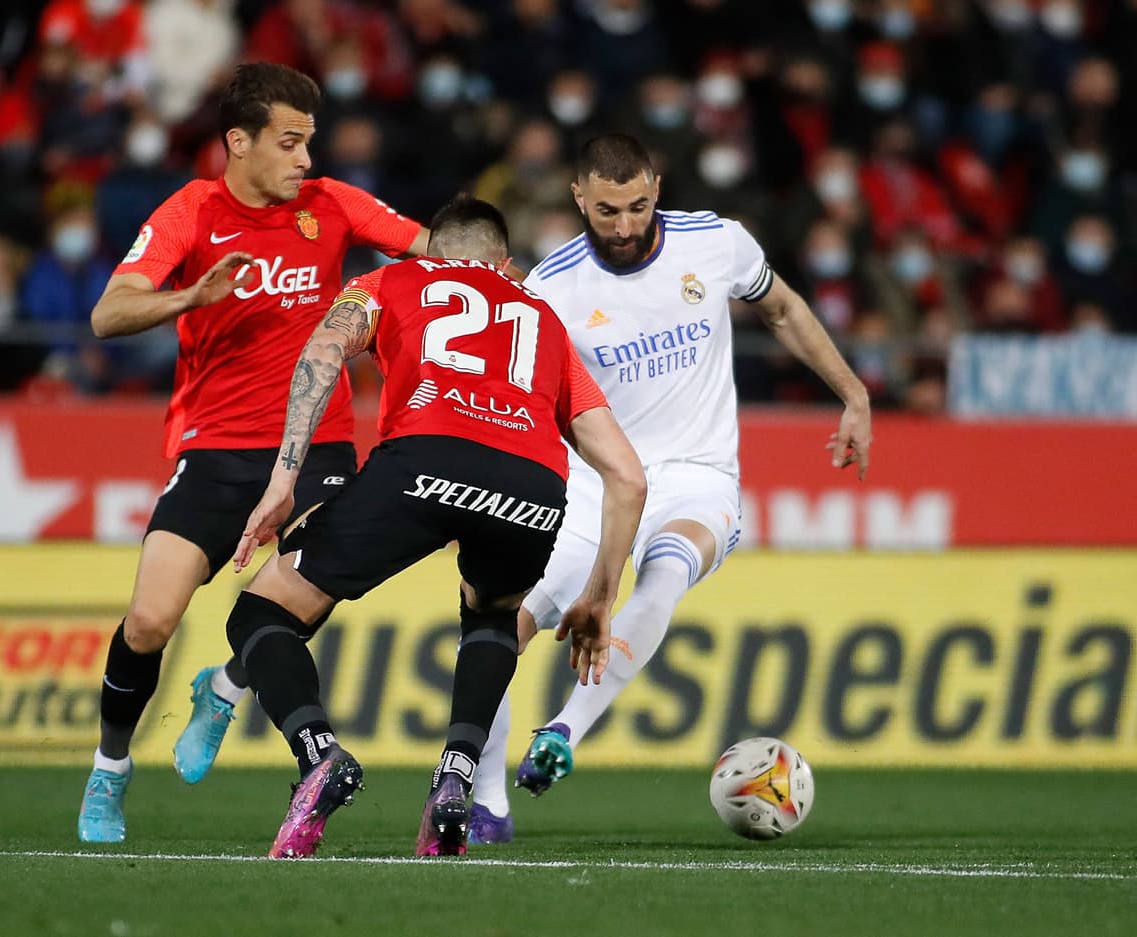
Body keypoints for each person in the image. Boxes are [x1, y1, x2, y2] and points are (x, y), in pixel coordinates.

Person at [465, 133, 873, 845]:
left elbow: (782, 309)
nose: (624, 225)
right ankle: (490, 799)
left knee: (667, 569)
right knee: (503, 626)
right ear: (578, 198)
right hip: (592, 487)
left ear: (657, 185)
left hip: (699, 474)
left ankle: (566, 728)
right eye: (607, 211)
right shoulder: (550, 288)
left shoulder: (716, 243)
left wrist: (853, 393)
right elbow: (512, 394)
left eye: (638, 205)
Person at [222, 195, 646, 858]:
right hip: (533, 485)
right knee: (491, 617)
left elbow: (326, 346)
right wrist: (600, 593)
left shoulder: (389, 279)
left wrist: (284, 477)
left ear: (429, 252)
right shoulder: (544, 320)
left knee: (259, 616)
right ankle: (458, 777)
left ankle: (318, 756)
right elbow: (628, 475)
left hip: (425, 458)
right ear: (505, 265)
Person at [76, 61, 429, 843]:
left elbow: (434, 249)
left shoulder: (331, 204)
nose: (306, 159)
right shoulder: (192, 212)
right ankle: (110, 769)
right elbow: (108, 314)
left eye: (310, 142)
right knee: (148, 620)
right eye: (290, 142)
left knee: (298, 597)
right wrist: (191, 297)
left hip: (319, 445)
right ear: (239, 142)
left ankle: (228, 684)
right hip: (217, 447)